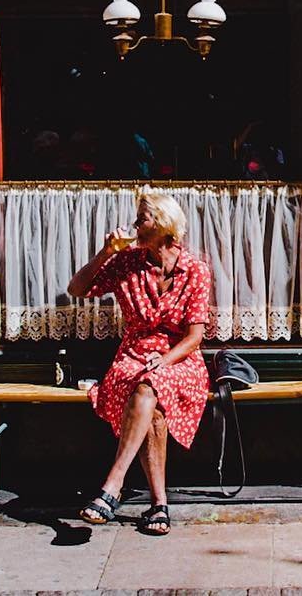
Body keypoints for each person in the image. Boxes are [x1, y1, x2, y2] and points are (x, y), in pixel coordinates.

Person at [67, 193, 210, 537]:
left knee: (151, 386)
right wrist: (106, 253)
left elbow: (194, 337)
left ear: (163, 227)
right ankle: (158, 503)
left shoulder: (195, 270)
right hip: (133, 355)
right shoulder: (127, 262)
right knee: (150, 399)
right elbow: (77, 288)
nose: (135, 227)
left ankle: (112, 485)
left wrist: (164, 359)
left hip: (180, 358)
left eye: (142, 220)